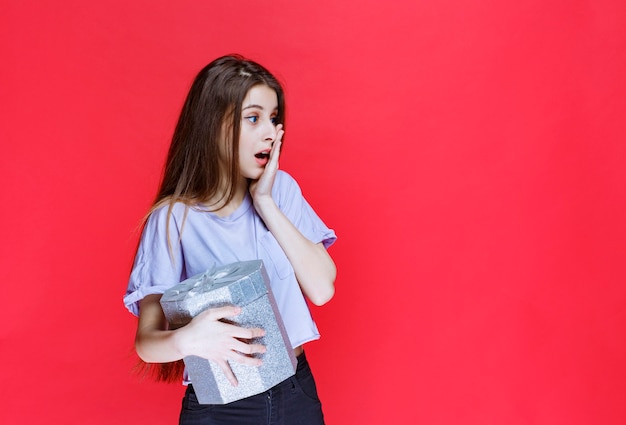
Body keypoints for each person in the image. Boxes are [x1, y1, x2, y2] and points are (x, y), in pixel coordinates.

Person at [123, 55, 337, 425]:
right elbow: (147, 343)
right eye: (253, 118)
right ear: (213, 126)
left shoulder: (281, 192)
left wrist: (265, 202)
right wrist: (188, 340)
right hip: (222, 407)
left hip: (295, 393)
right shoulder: (174, 218)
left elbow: (321, 289)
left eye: (273, 118)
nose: (270, 132)